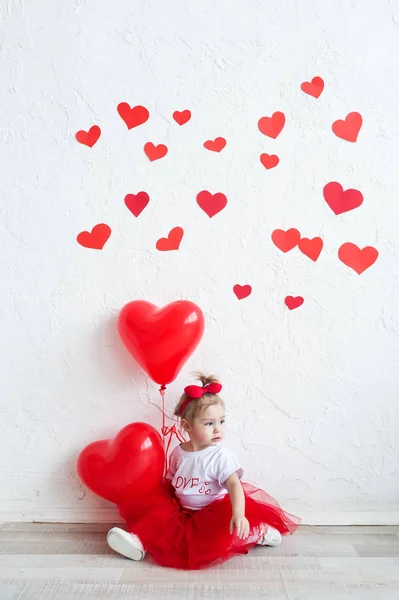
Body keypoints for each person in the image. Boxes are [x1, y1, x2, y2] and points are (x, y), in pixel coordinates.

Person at [107, 374, 300, 569]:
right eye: (209, 424)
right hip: (182, 512)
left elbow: (234, 485)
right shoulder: (178, 452)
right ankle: (138, 542)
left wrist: (239, 514)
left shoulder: (219, 457)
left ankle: (257, 531)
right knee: (157, 520)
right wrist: (163, 504)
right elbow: (171, 480)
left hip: (211, 512)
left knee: (220, 533)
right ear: (187, 426)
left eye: (221, 422)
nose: (218, 430)